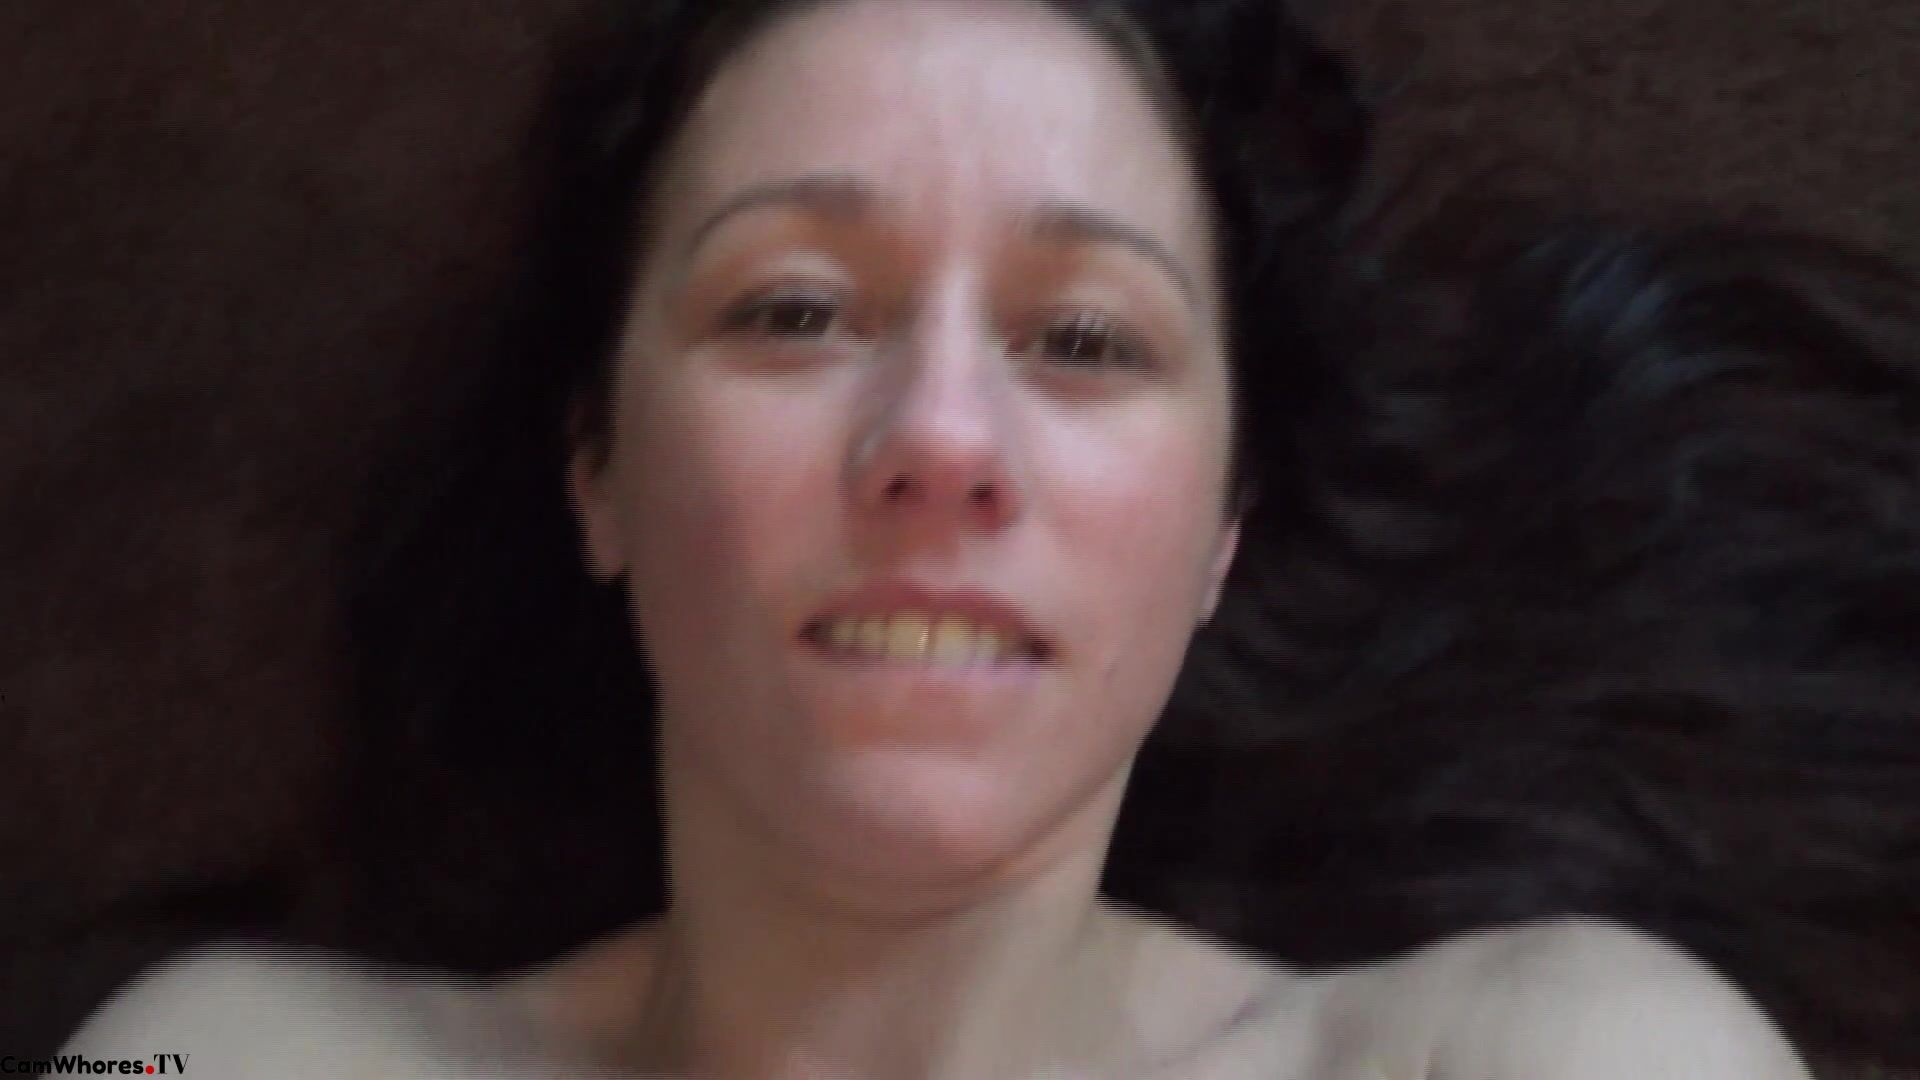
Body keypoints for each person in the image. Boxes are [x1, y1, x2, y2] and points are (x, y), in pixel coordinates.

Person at [61, 0, 1920, 1075]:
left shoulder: (1567, 1051)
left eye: (1086, 340)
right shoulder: (209, 1050)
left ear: (1220, 532)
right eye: (793, 309)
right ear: (600, 469)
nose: (941, 440)